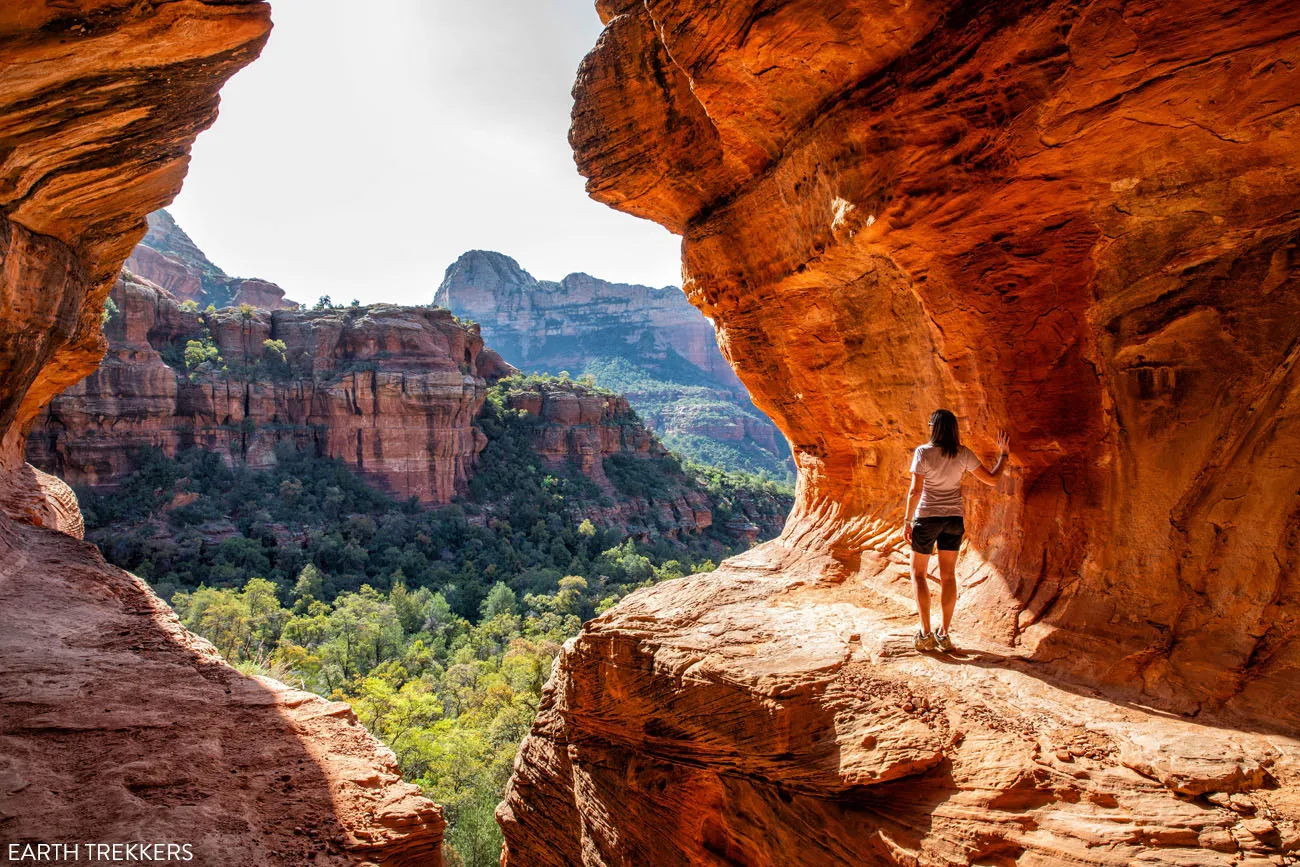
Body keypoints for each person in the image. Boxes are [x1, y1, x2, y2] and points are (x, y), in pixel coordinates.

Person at [903, 409, 1010, 652]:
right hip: (953, 519)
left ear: (934, 427)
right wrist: (1004, 455)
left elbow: (915, 491)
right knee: (948, 576)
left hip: (927, 518)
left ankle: (926, 633)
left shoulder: (923, 452)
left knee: (918, 574)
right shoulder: (962, 453)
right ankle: (944, 634)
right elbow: (992, 480)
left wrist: (907, 521)